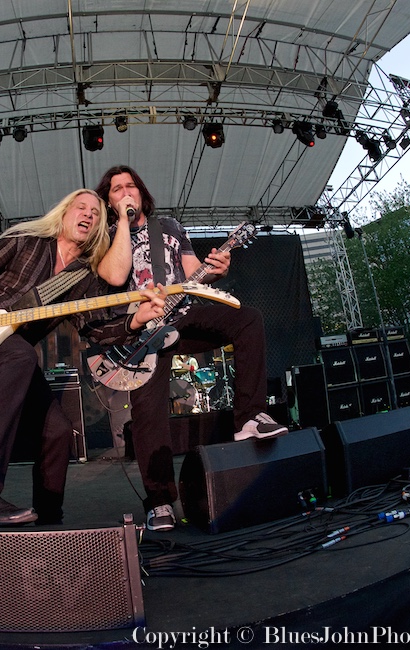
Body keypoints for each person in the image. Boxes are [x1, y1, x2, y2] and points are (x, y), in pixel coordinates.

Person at [0, 189, 165, 527]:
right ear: (63, 214)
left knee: (58, 431)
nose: (89, 215)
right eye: (81, 207)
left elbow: (95, 329)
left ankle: (48, 522)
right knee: (20, 357)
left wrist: (136, 320)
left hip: (11, 349)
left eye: (96, 213)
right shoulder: (25, 240)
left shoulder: (85, 277)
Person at [94, 165, 287, 532]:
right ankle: (161, 502)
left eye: (130, 185)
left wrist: (216, 268)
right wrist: (120, 222)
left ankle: (250, 418)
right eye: (116, 189)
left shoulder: (169, 227)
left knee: (248, 319)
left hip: (182, 317)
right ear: (108, 200)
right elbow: (116, 277)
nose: (125, 192)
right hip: (141, 332)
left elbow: (194, 273)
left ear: (142, 190)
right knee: (148, 410)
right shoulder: (103, 237)